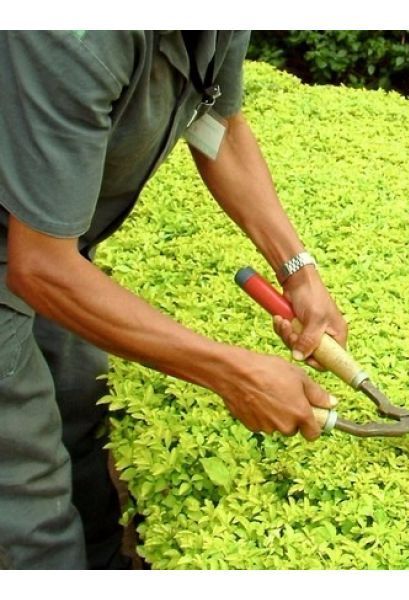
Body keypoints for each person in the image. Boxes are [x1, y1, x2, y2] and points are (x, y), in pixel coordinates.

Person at [0, 30, 346, 569]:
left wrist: (298, 270)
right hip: (35, 249)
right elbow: (41, 266)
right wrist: (233, 373)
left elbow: (218, 127)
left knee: (78, 409)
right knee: (26, 492)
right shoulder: (70, 37)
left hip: (46, 236)